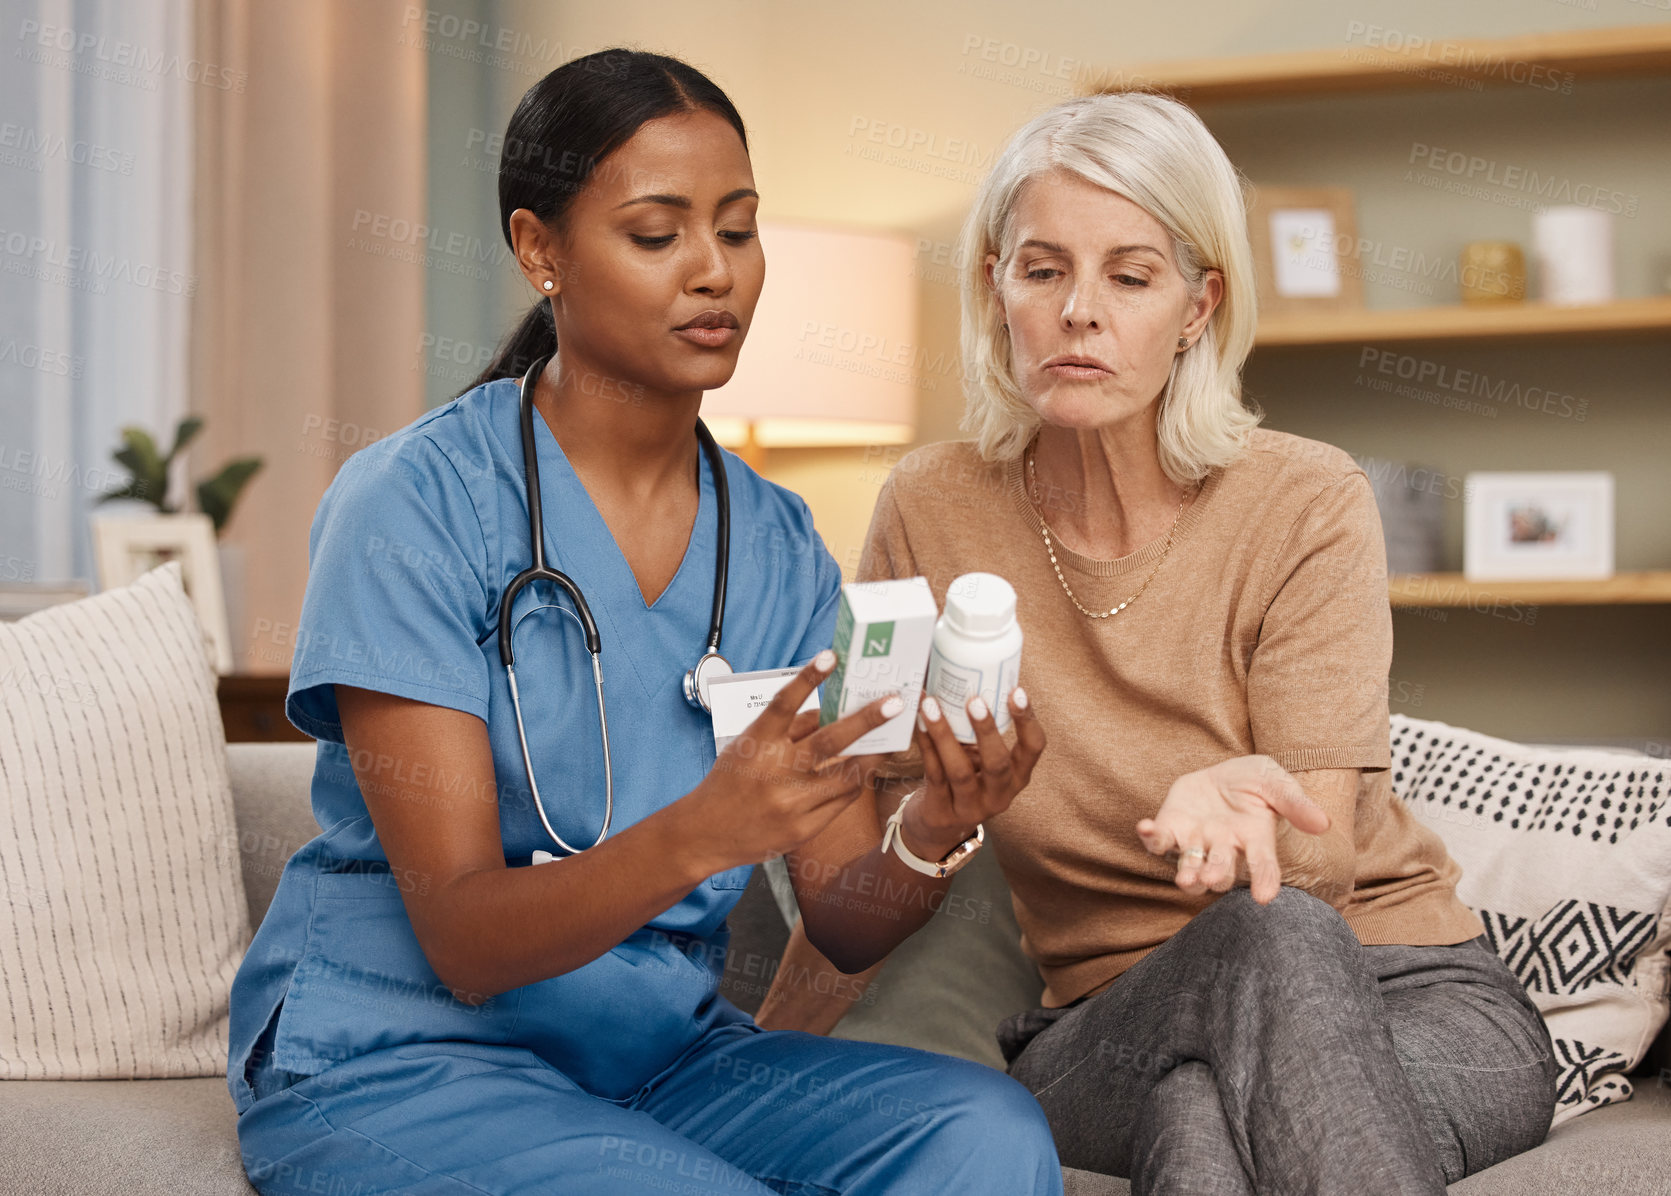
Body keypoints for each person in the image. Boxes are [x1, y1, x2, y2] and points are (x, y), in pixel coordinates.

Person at [225, 50, 1063, 1196]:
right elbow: (466, 940)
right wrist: (709, 828)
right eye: (658, 235)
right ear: (541, 251)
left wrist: (933, 825)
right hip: (401, 1057)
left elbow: (845, 914)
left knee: (985, 1129)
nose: (715, 273)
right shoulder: (413, 505)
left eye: (739, 229)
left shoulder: (776, 543)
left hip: (657, 1059)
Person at [757, 91, 1558, 1194]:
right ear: (995, 287)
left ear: (1197, 305)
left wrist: (1241, 804)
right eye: (1042, 271)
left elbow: (1314, 868)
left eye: (1130, 276)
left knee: (1216, 1079)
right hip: (1109, 1022)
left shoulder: (1307, 498)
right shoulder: (927, 508)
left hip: (1411, 991)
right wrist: (752, 1057)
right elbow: (858, 863)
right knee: (1225, 1009)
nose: (1080, 310)